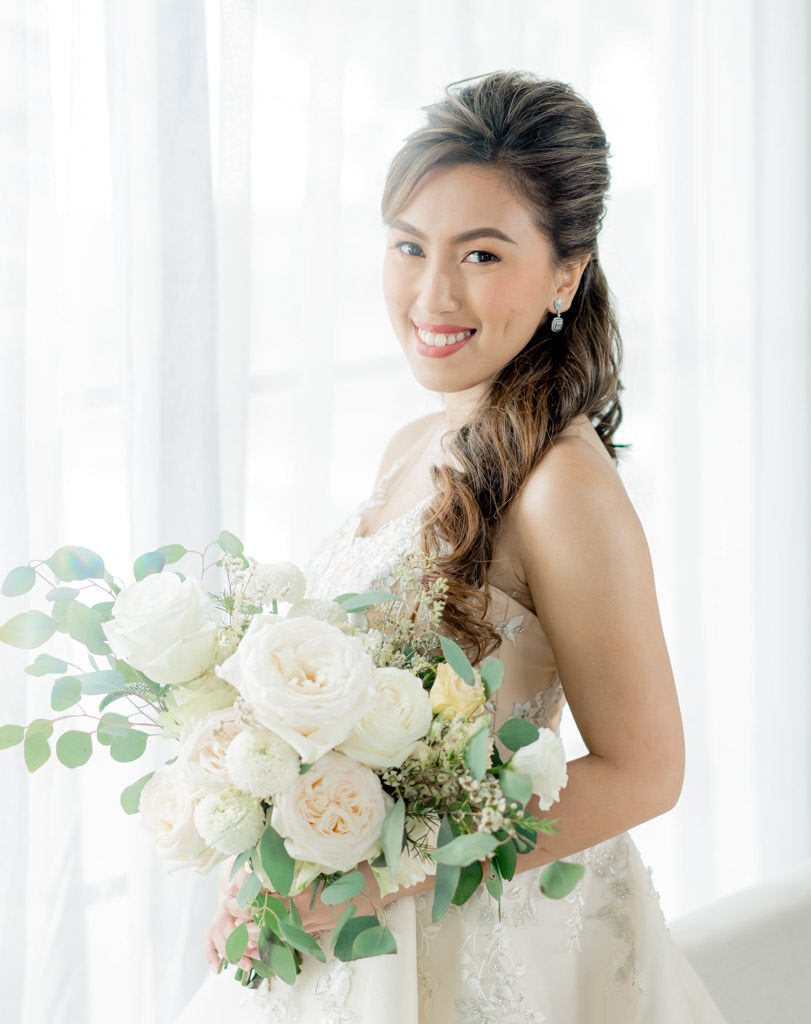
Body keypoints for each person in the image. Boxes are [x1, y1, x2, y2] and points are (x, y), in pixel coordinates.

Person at [177, 71, 726, 1023]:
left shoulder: (563, 485)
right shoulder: (416, 442)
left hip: (484, 947)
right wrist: (282, 849)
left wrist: (381, 872)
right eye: (408, 246)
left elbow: (646, 769)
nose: (432, 292)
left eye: (480, 254)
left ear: (568, 270)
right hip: (360, 936)